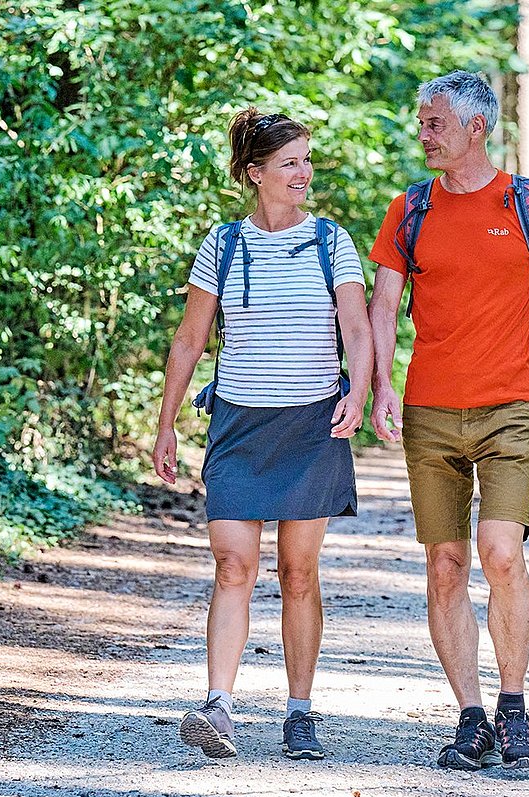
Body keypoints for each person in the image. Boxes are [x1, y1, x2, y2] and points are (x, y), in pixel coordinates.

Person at [366, 71, 529, 771]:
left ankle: (514, 706)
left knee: (501, 551)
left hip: (512, 406)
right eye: (424, 122)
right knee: (444, 564)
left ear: (476, 127)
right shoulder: (408, 209)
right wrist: (379, 386)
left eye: (435, 123)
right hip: (430, 410)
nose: (424, 134)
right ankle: (470, 716)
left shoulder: (528, 204)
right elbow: (380, 307)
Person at [152, 107, 372, 761]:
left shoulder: (333, 241)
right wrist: (165, 424)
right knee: (233, 564)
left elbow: (357, 329)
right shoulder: (222, 244)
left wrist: (358, 390)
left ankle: (299, 712)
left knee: (299, 573)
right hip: (239, 424)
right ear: (255, 173)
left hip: (311, 423)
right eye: (290, 163)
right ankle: (218, 704)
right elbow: (191, 338)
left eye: (306, 159)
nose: (304, 172)